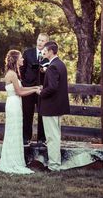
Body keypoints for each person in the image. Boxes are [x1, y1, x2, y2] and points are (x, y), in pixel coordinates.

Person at [0, 49, 40, 174]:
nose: (23, 59)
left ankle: (14, 157)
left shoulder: (14, 73)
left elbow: (21, 88)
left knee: (16, 131)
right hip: (14, 104)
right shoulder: (12, 74)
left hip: (15, 103)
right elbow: (20, 92)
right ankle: (11, 160)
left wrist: (35, 86)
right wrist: (35, 91)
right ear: (16, 60)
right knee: (14, 131)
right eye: (21, 58)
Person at [36, 41, 70, 171]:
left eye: (45, 50)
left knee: (52, 137)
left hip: (51, 107)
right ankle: (56, 163)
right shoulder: (60, 64)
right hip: (57, 106)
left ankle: (54, 165)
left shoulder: (53, 66)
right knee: (55, 136)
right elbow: (56, 85)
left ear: (51, 51)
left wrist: (41, 92)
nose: (43, 52)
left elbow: (53, 88)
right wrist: (45, 87)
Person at [20, 33, 49, 146]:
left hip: (42, 89)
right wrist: (23, 83)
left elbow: (51, 72)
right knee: (27, 113)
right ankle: (26, 138)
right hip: (28, 88)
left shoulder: (48, 55)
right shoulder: (28, 53)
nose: (40, 42)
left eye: (42, 41)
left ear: (46, 43)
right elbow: (21, 69)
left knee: (42, 114)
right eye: (39, 40)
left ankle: (41, 139)